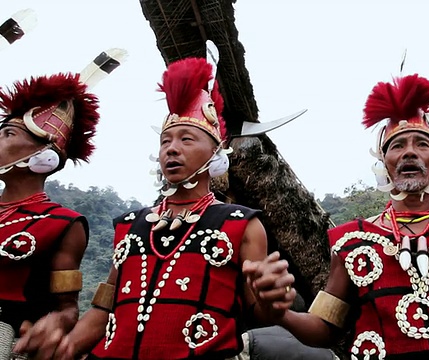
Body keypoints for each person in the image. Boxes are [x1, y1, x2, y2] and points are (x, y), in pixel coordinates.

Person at [39, 56, 298, 360]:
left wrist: (271, 299)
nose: (172, 148)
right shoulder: (129, 225)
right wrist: (66, 347)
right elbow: (104, 308)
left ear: (216, 154)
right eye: (165, 141)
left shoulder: (241, 224)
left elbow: (258, 314)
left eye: (186, 139)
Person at [245, 74, 429, 359]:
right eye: (398, 146)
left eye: (422, 145)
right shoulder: (352, 242)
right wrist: (281, 314)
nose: (410, 152)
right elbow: (326, 328)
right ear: (384, 164)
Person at [0, 69, 102, 358]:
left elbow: (68, 309)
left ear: (44, 157)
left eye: (8, 134)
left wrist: (54, 322)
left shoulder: (64, 224)